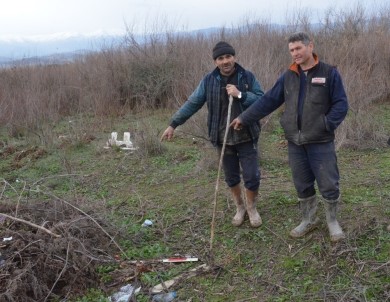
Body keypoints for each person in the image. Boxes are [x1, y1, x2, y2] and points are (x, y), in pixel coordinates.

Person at [230, 32, 348, 242]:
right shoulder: (288, 76)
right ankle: (308, 219)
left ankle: (332, 221)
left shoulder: (329, 73)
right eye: (291, 50)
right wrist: (245, 117)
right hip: (295, 142)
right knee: (302, 183)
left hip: (320, 141)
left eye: (298, 49)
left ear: (310, 46)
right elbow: (268, 101)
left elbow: (341, 104)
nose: (295, 53)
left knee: (329, 183)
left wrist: (326, 124)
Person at [161, 41, 265, 227]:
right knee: (231, 176)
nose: (225, 61)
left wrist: (240, 94)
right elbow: (193, 103)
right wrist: (173, 124)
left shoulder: (247, 77)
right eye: (220, 58)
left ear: (234, 57)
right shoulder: (209, 81)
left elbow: (262, 100)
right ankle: (240, 207)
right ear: (215, 61)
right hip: (222, 137)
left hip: (247, 136)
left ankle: (252, 208)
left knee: (252, 176)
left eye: (228, 57)